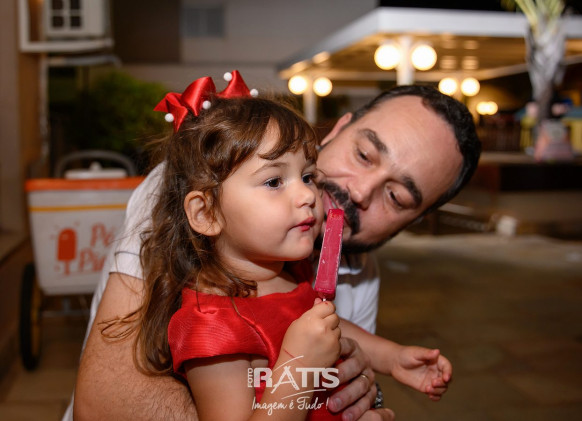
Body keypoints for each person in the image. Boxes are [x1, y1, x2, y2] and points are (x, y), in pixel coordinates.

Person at [71, 74, 481, 421]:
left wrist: (378, 375)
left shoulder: (303, 268)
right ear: (338, 128)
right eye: (363, 154)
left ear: (413, 221)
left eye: (396, 197)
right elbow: (102, 402)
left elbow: (327, 333)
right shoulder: (192, 184)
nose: (359, 191)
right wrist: (301, 372)